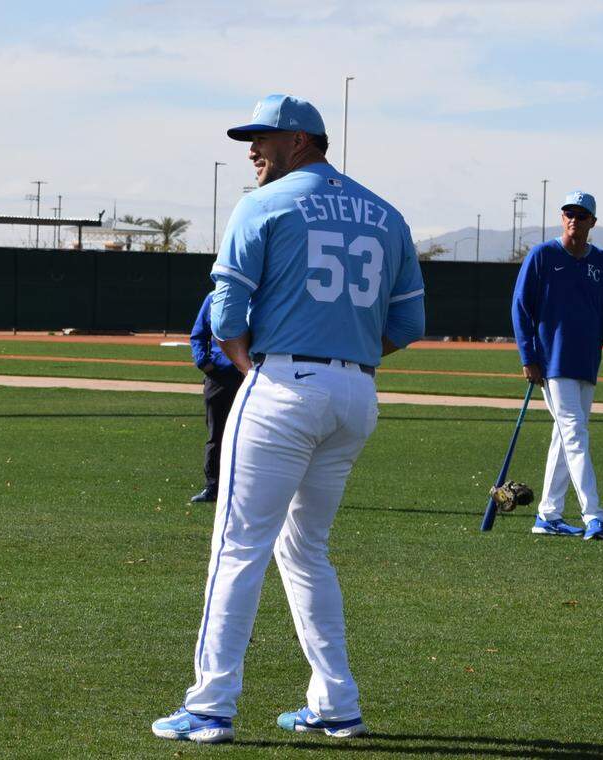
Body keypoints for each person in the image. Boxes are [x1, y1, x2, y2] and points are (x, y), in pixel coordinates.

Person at [151, 94, 425, 744]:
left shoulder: (265, 204)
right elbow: (409, 324)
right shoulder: (386, 214)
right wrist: (347, 360)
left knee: (237, 547)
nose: (253, 148)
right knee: (307, 551)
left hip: (283, 383)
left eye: (264, 137)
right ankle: (336, 704)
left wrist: (254, 364)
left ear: (301, 140)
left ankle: (211, 706)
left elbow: (226, 311)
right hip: (355, 394)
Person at [511, 191, 603, 542]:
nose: (574, 220)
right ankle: (594, 514)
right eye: (569, 213)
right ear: (561, 217)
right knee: (575, 435)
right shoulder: (542, 255)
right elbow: (520, 309)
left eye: (582, 216)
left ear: (592, 222)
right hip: (553, 363)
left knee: (564, 437)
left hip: (587, 363)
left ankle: (547, 515)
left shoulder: (602, 263)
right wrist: (528, 357)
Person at [189, 291, 244, 503]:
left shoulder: (258, 297)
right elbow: (198, 334)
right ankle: (213, 487)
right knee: (216, 434)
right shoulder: (214, 298)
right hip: (220, 378)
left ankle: (245, 489)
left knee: (253, 435)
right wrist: (204, 363)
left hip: (249, 376)